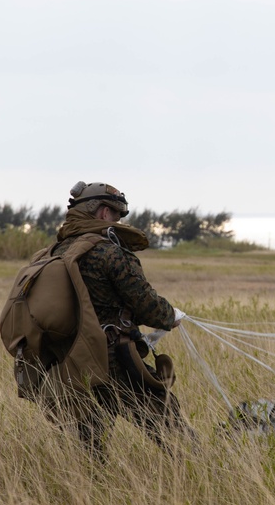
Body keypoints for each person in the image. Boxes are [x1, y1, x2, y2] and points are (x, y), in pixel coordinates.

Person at [41, 180, 194, 459]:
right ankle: (200, 474)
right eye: (115, 213)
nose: (119, 219)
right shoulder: (109, 251)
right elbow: (144, 303)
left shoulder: (59, 251)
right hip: (113, 357)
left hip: (72, 358)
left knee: (90, 429)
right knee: (166, 416)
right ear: (101, 213)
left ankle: (91, 483)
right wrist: (170, 316)